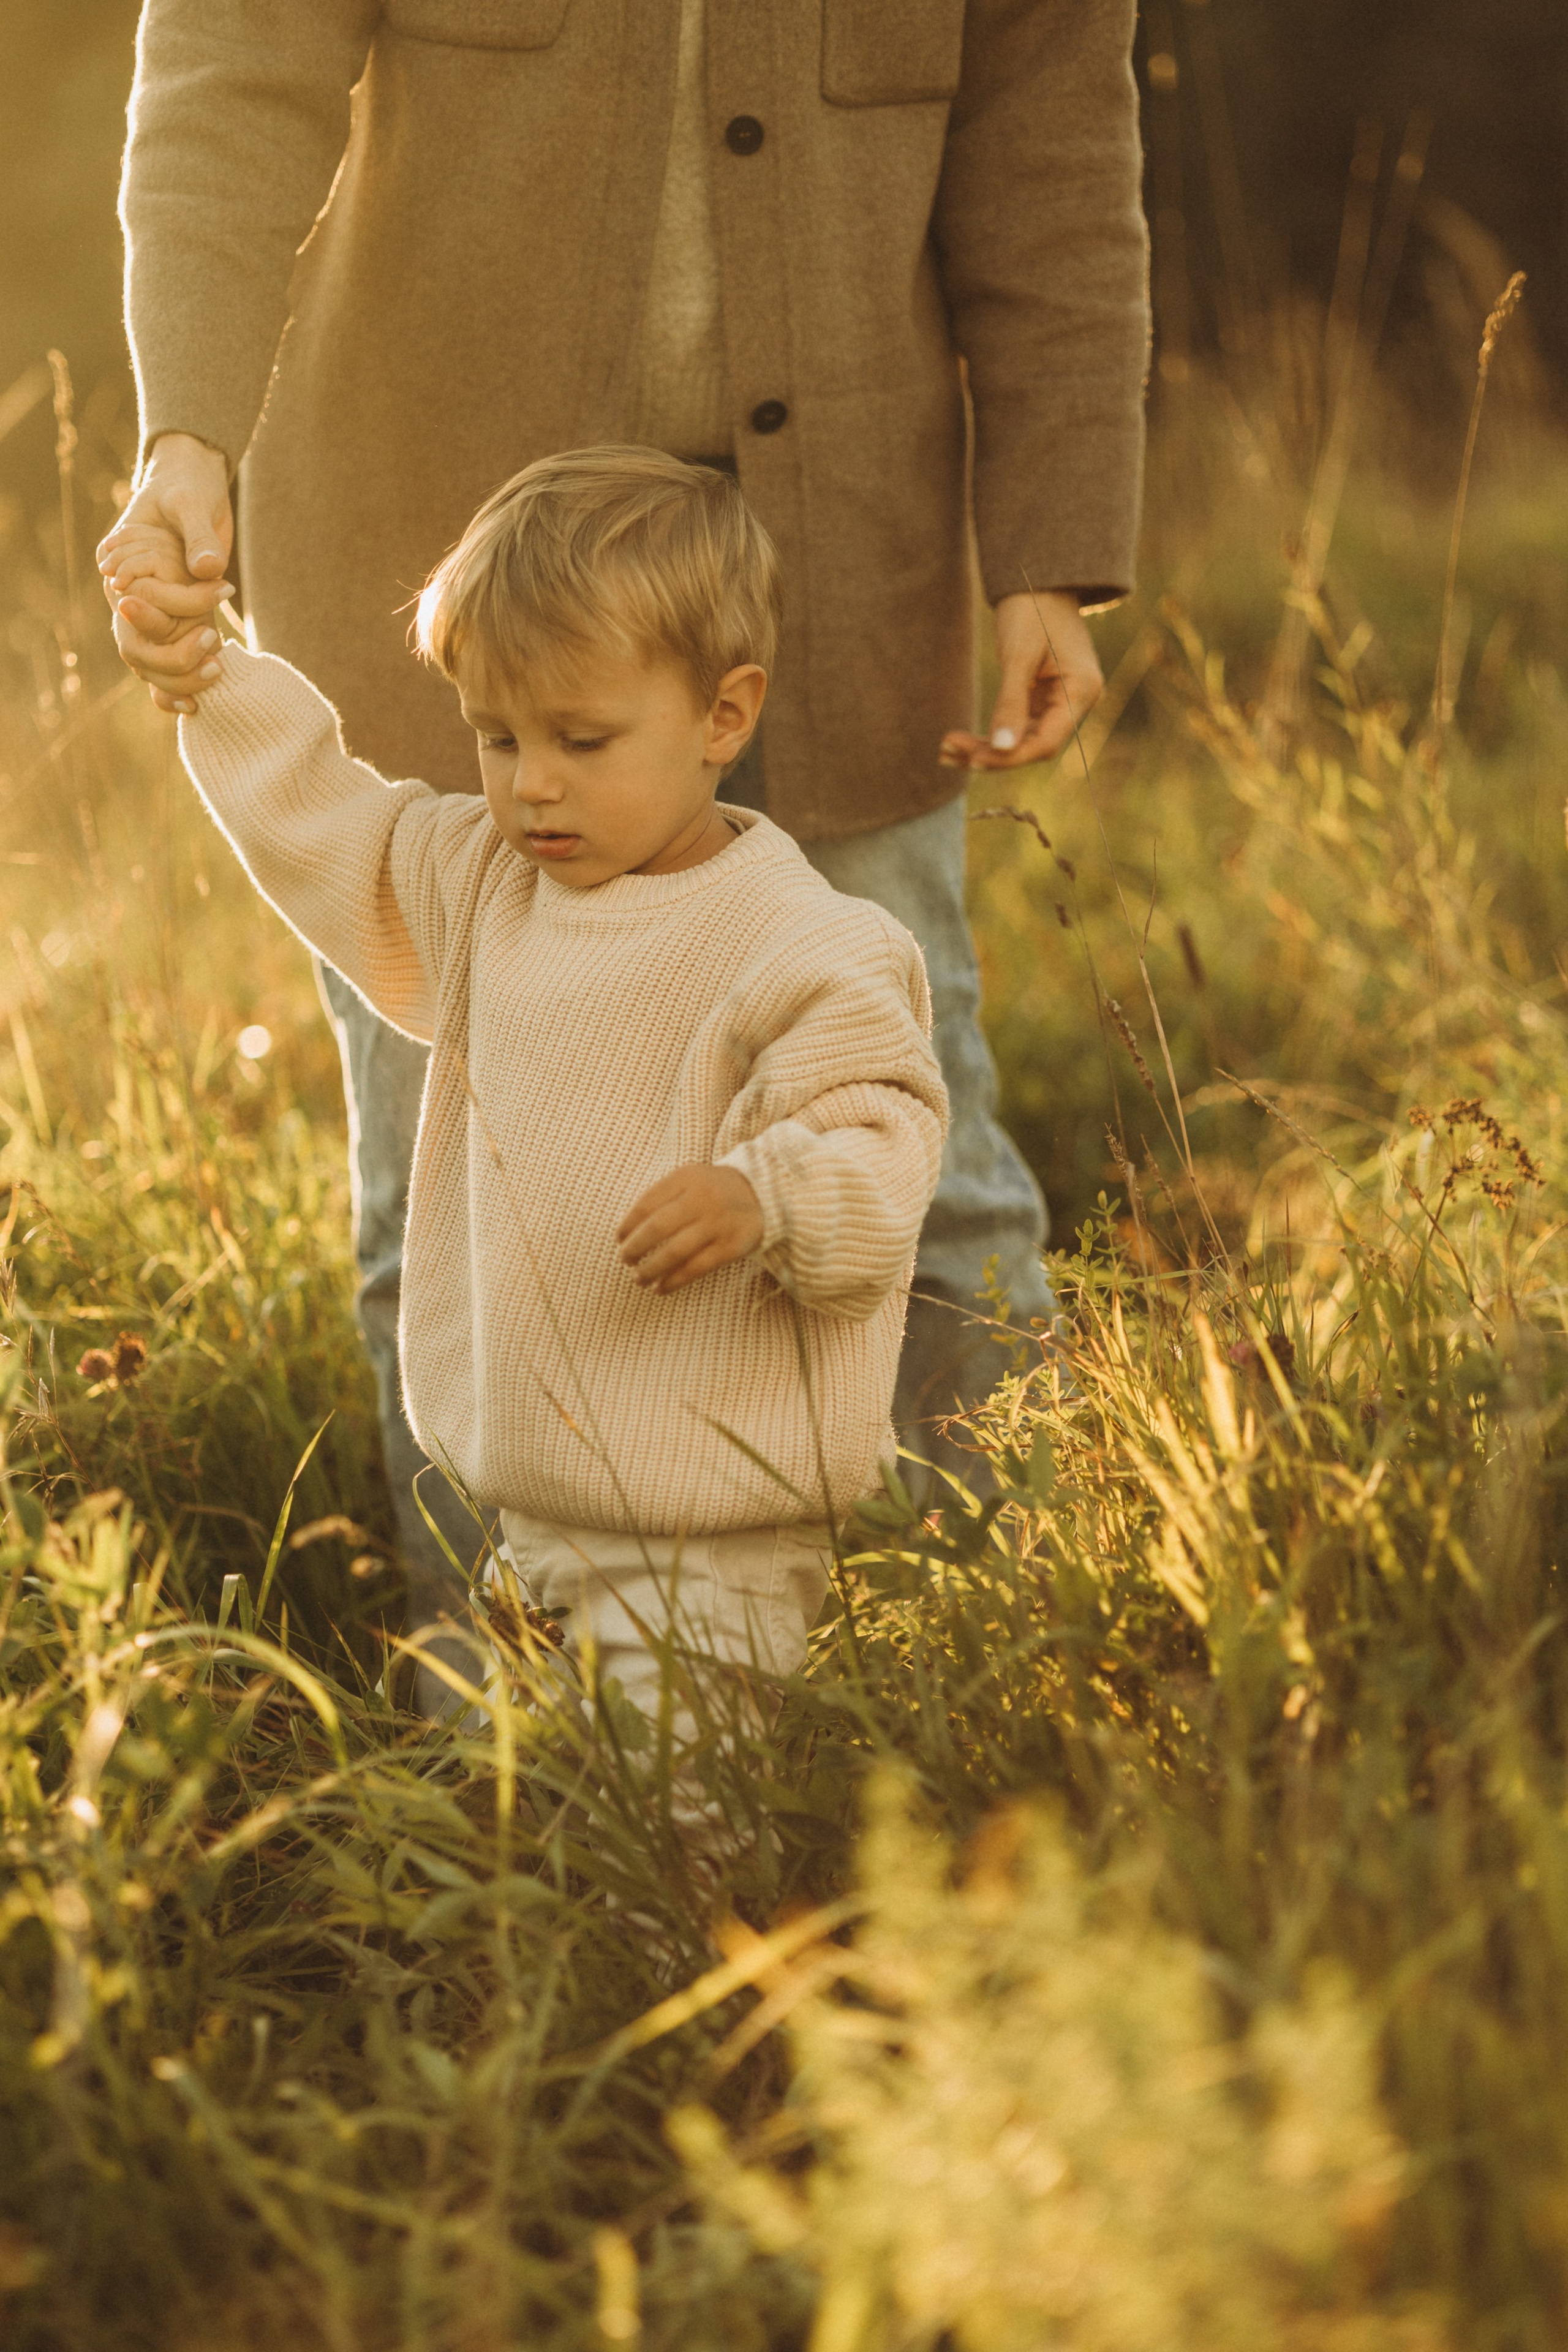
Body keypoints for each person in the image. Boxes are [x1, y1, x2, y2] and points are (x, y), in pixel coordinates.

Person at [100, 0, 1150, 1643]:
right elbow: (232, 80)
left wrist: (1049, 547)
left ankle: (1002, 1675)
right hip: (462, 585)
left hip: (842, 570)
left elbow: (1053, 159)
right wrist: (188, 437)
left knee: (935, 1178)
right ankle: (502, 1741)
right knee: (439, 1198)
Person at [124, 447, 948, 1738]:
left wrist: (763, 1193)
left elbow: (885, 1142)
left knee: (680, 1850)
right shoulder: (481, 889)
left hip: (713, 1543)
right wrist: (209, 672)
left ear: (724, 716)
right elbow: (325, 815)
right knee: (558, 1833)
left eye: (581, 738)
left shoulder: (801, 942)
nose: (530, 782)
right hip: (531, 1523)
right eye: (496, 737)